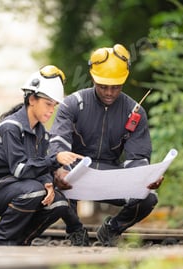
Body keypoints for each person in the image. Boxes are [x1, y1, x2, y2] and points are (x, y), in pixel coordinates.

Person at [49, 43, 164, 246]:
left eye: (116, 87)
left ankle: (112, 230)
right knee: (54, 177)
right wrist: (59, 169)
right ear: (93, 78)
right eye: (103, 86)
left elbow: (137, 158)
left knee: (149, 197)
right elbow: (58, 143)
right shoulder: (72, 104)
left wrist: (146, 177)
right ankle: (75, 230)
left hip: (112, 174)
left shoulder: (134, 112)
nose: (109, 92)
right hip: (76, 174)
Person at [0, 65, 90, 246]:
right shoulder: (11, 127)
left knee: (59, 202)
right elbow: (20, 169)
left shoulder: (41, 133)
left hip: (17, 187)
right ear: (32, 99)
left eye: (54, 106)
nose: (51, 110)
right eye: (48, 104)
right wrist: (55, 159)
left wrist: (48, 184)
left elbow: (38, 167)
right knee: (33, 191)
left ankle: (20, 242)